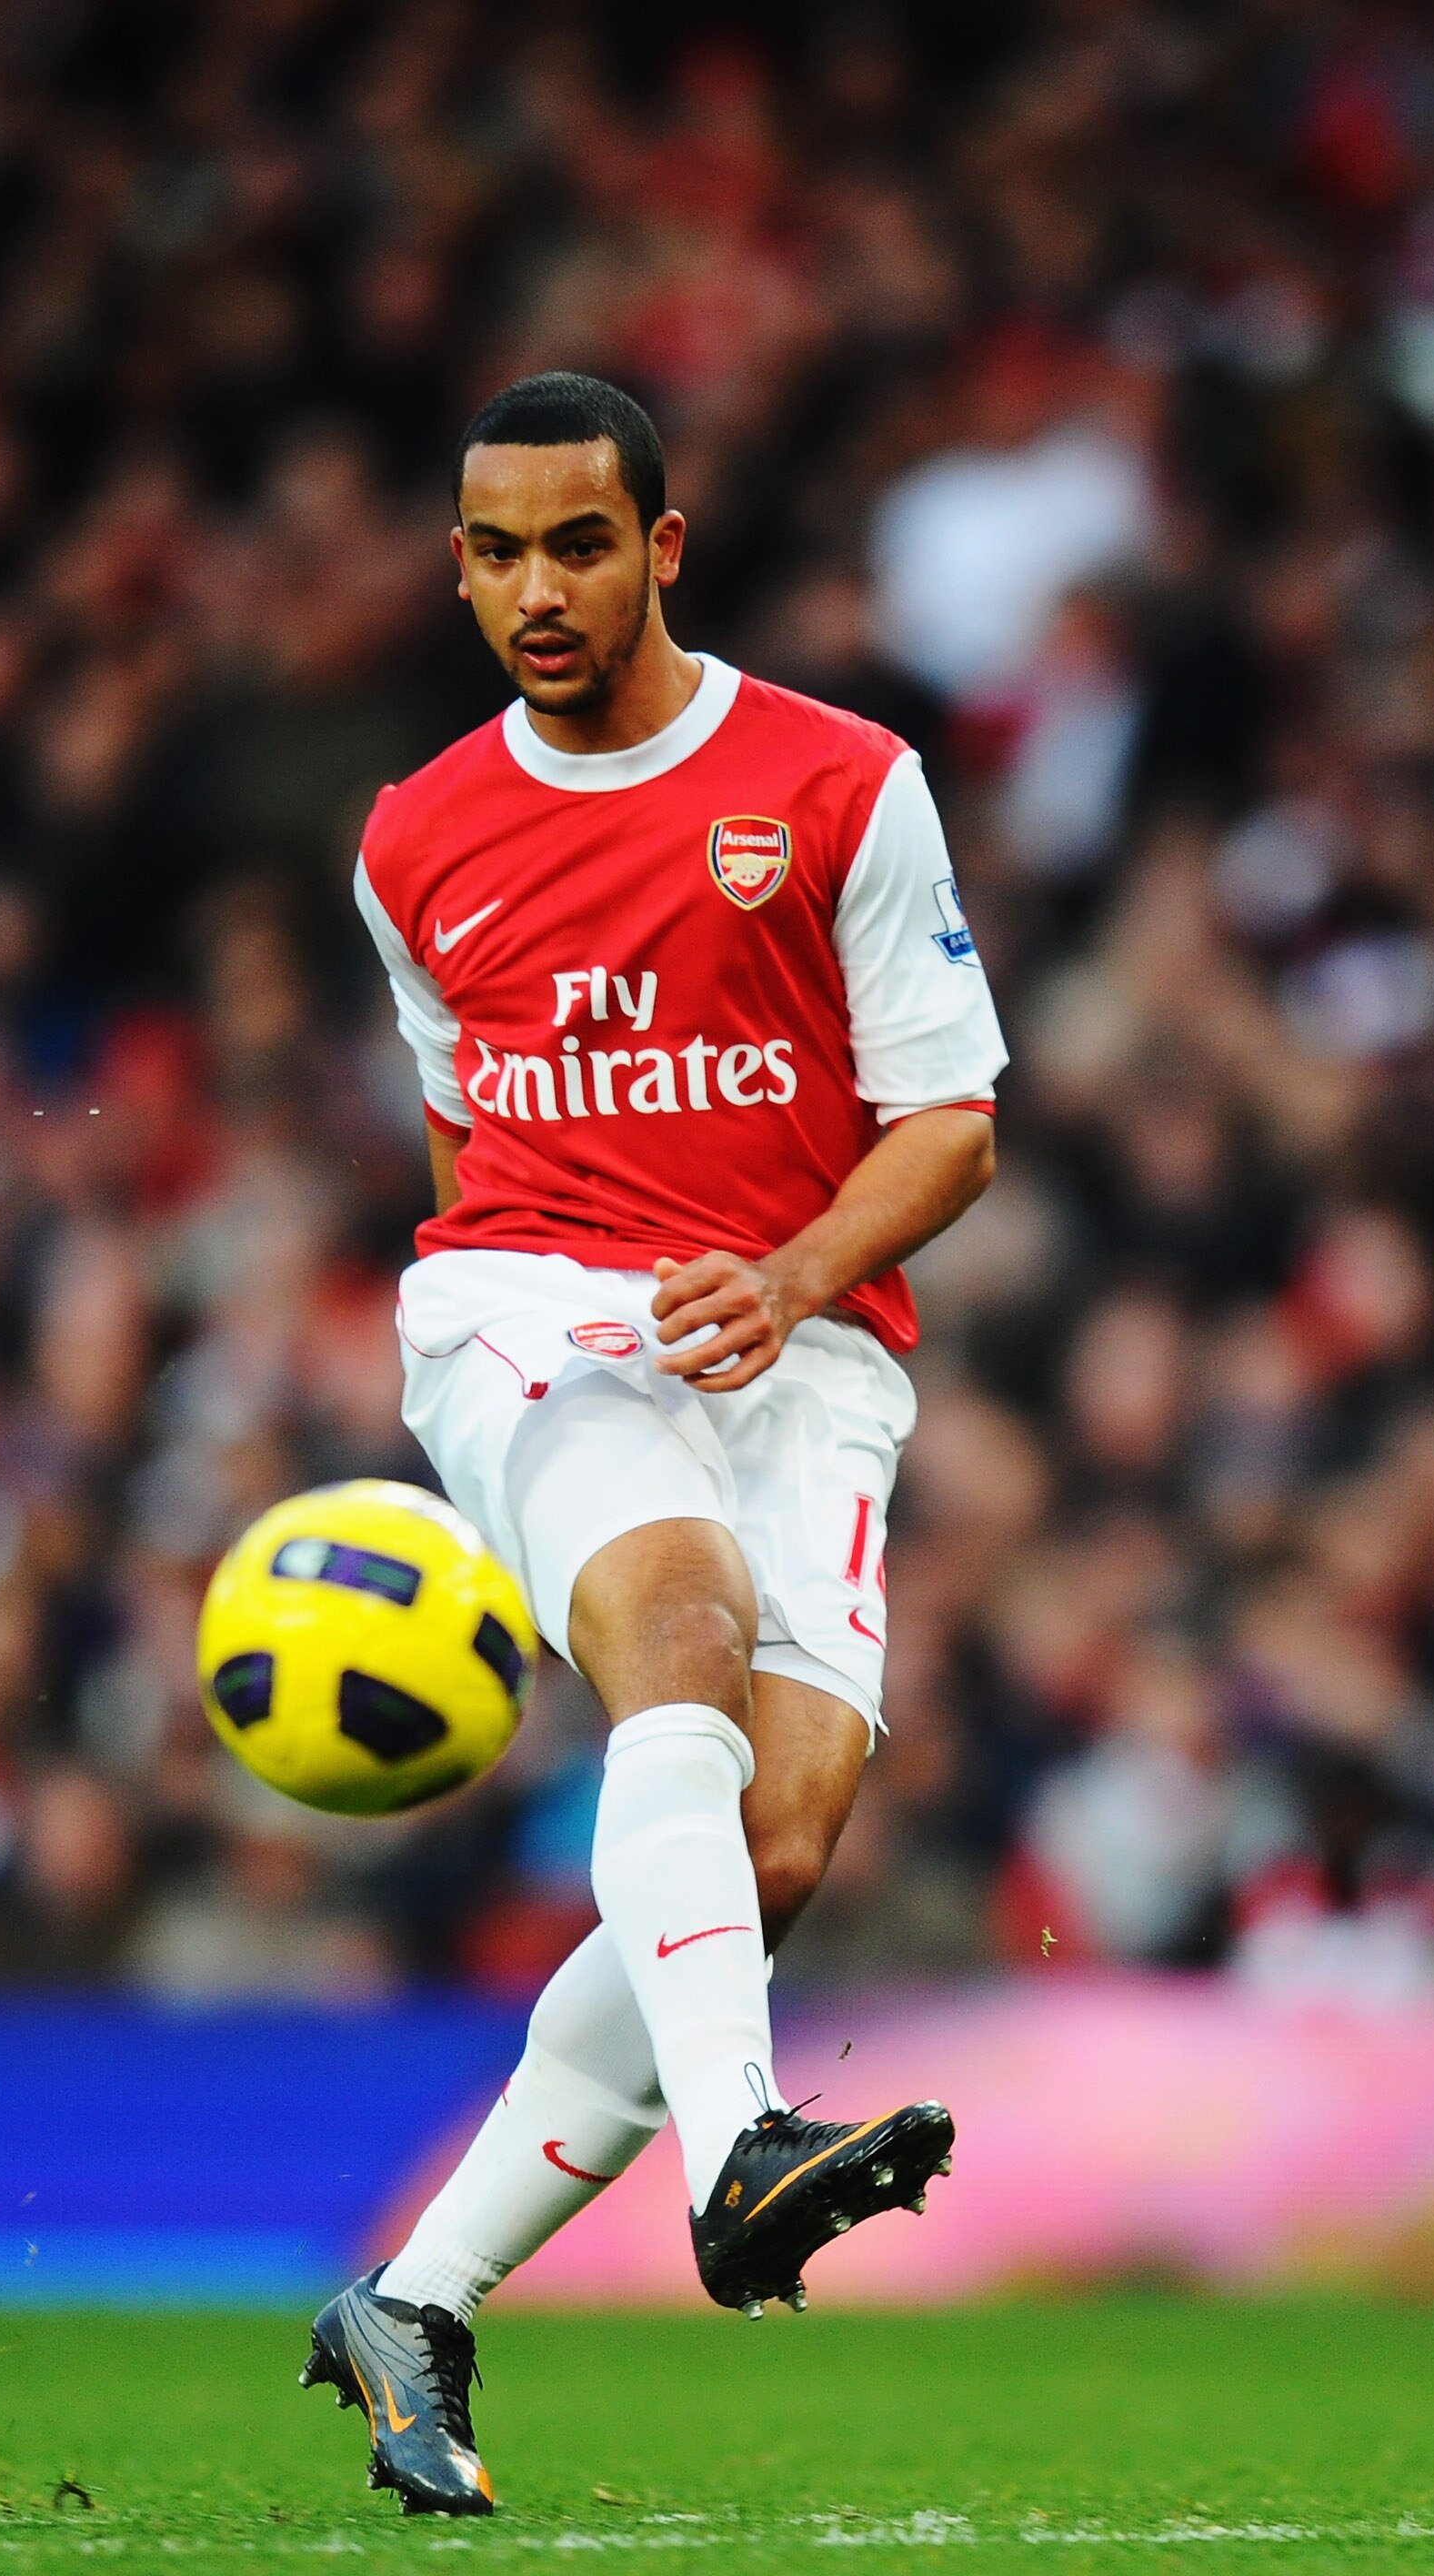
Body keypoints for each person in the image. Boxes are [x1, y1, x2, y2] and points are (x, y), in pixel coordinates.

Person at [300, 373, 1005, 2515]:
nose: (536, 588)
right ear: (455, 562)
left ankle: (409, 2303)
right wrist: (571, 1290)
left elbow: (953, 1122)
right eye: (495, 551)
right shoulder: (412, 836)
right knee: (673, 1640)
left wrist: (787, 1279)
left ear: (663, 547)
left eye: (578, 546)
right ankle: (739, 2153)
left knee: (774, 1847)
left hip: (799, 1342)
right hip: (534, 1310)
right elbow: (460, 1114)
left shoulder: (837, 783)